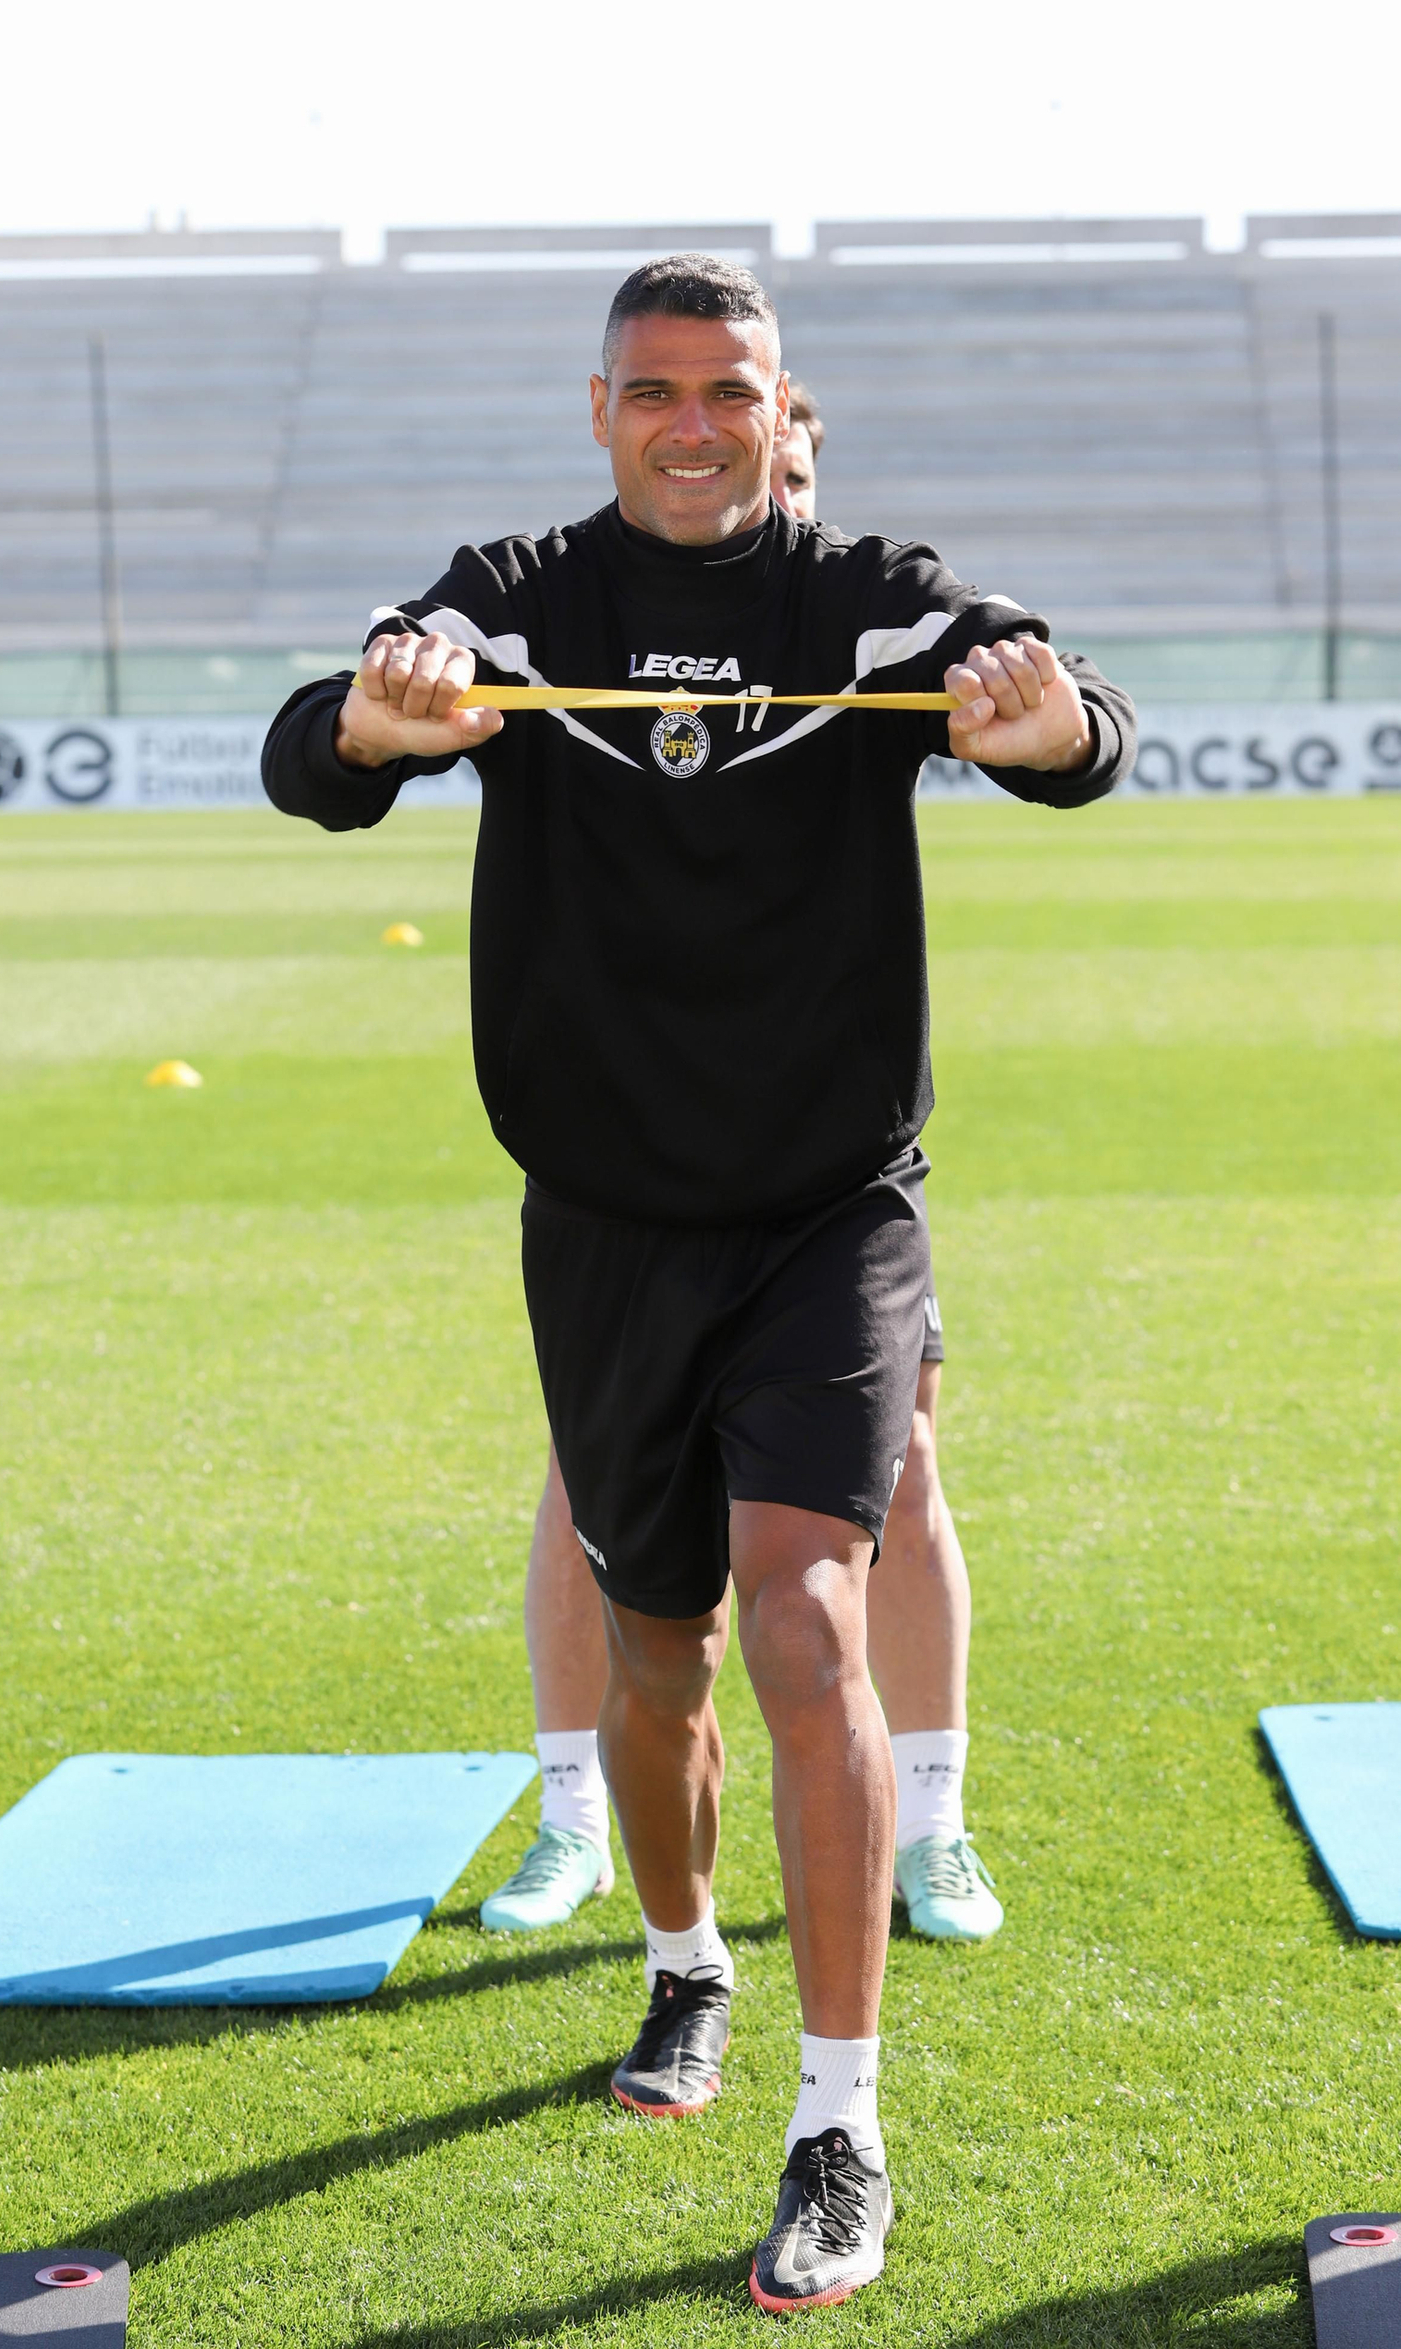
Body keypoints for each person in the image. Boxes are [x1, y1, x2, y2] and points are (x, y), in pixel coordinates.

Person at [262, 255, 1133, 2311]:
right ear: (598, 410)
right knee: (654, 1660)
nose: (689, 421)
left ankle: (840, 2123)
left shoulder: (861, 598)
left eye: (724, 390)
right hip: (601, 1224)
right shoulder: (511, 592)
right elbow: (330, 739)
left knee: (799, 1609)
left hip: (834, 1206)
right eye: (652, 390)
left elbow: (1046, 699)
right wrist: (371, 723)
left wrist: (1051, 718)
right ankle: (681, 1965)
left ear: (773, 404)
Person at [477, 374, 1003, 1954]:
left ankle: (934, 1819)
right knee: (597, 1499)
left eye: (783, 443)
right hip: (628, 1192)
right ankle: (576, 1810)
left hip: (829, 1179)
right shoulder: (585, 625)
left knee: (894, 1476)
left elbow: (1011, 699)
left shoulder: (854, 636)